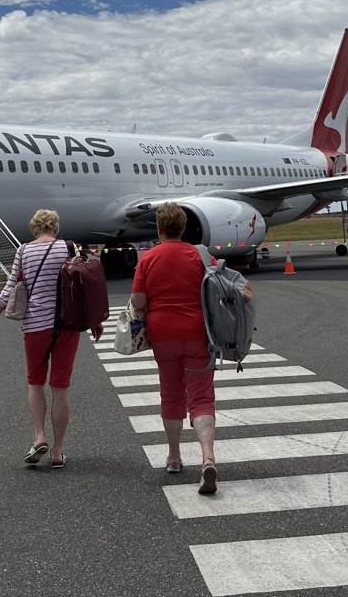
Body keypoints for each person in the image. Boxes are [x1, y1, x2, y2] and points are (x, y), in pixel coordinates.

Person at [0, 210, 100, 469]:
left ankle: (38, 437)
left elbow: (10, 287)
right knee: (60, 387)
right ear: (55, 227)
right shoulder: (68, 248)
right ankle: (57, 451)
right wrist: (95, 320)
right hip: (66, 325)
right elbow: (84, 285)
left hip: (35, 326)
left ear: (34, 228)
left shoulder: (23, 251)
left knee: (35, 382)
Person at [129, 202, 217, 494]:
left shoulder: (148, 259)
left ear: (159, 228)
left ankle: (174, 456)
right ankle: (207, 458)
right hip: (197, 334)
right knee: (201, 396)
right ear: (183, 227)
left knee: (171, 393)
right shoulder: (201, 256)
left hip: (162, 335)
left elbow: (139, 302)